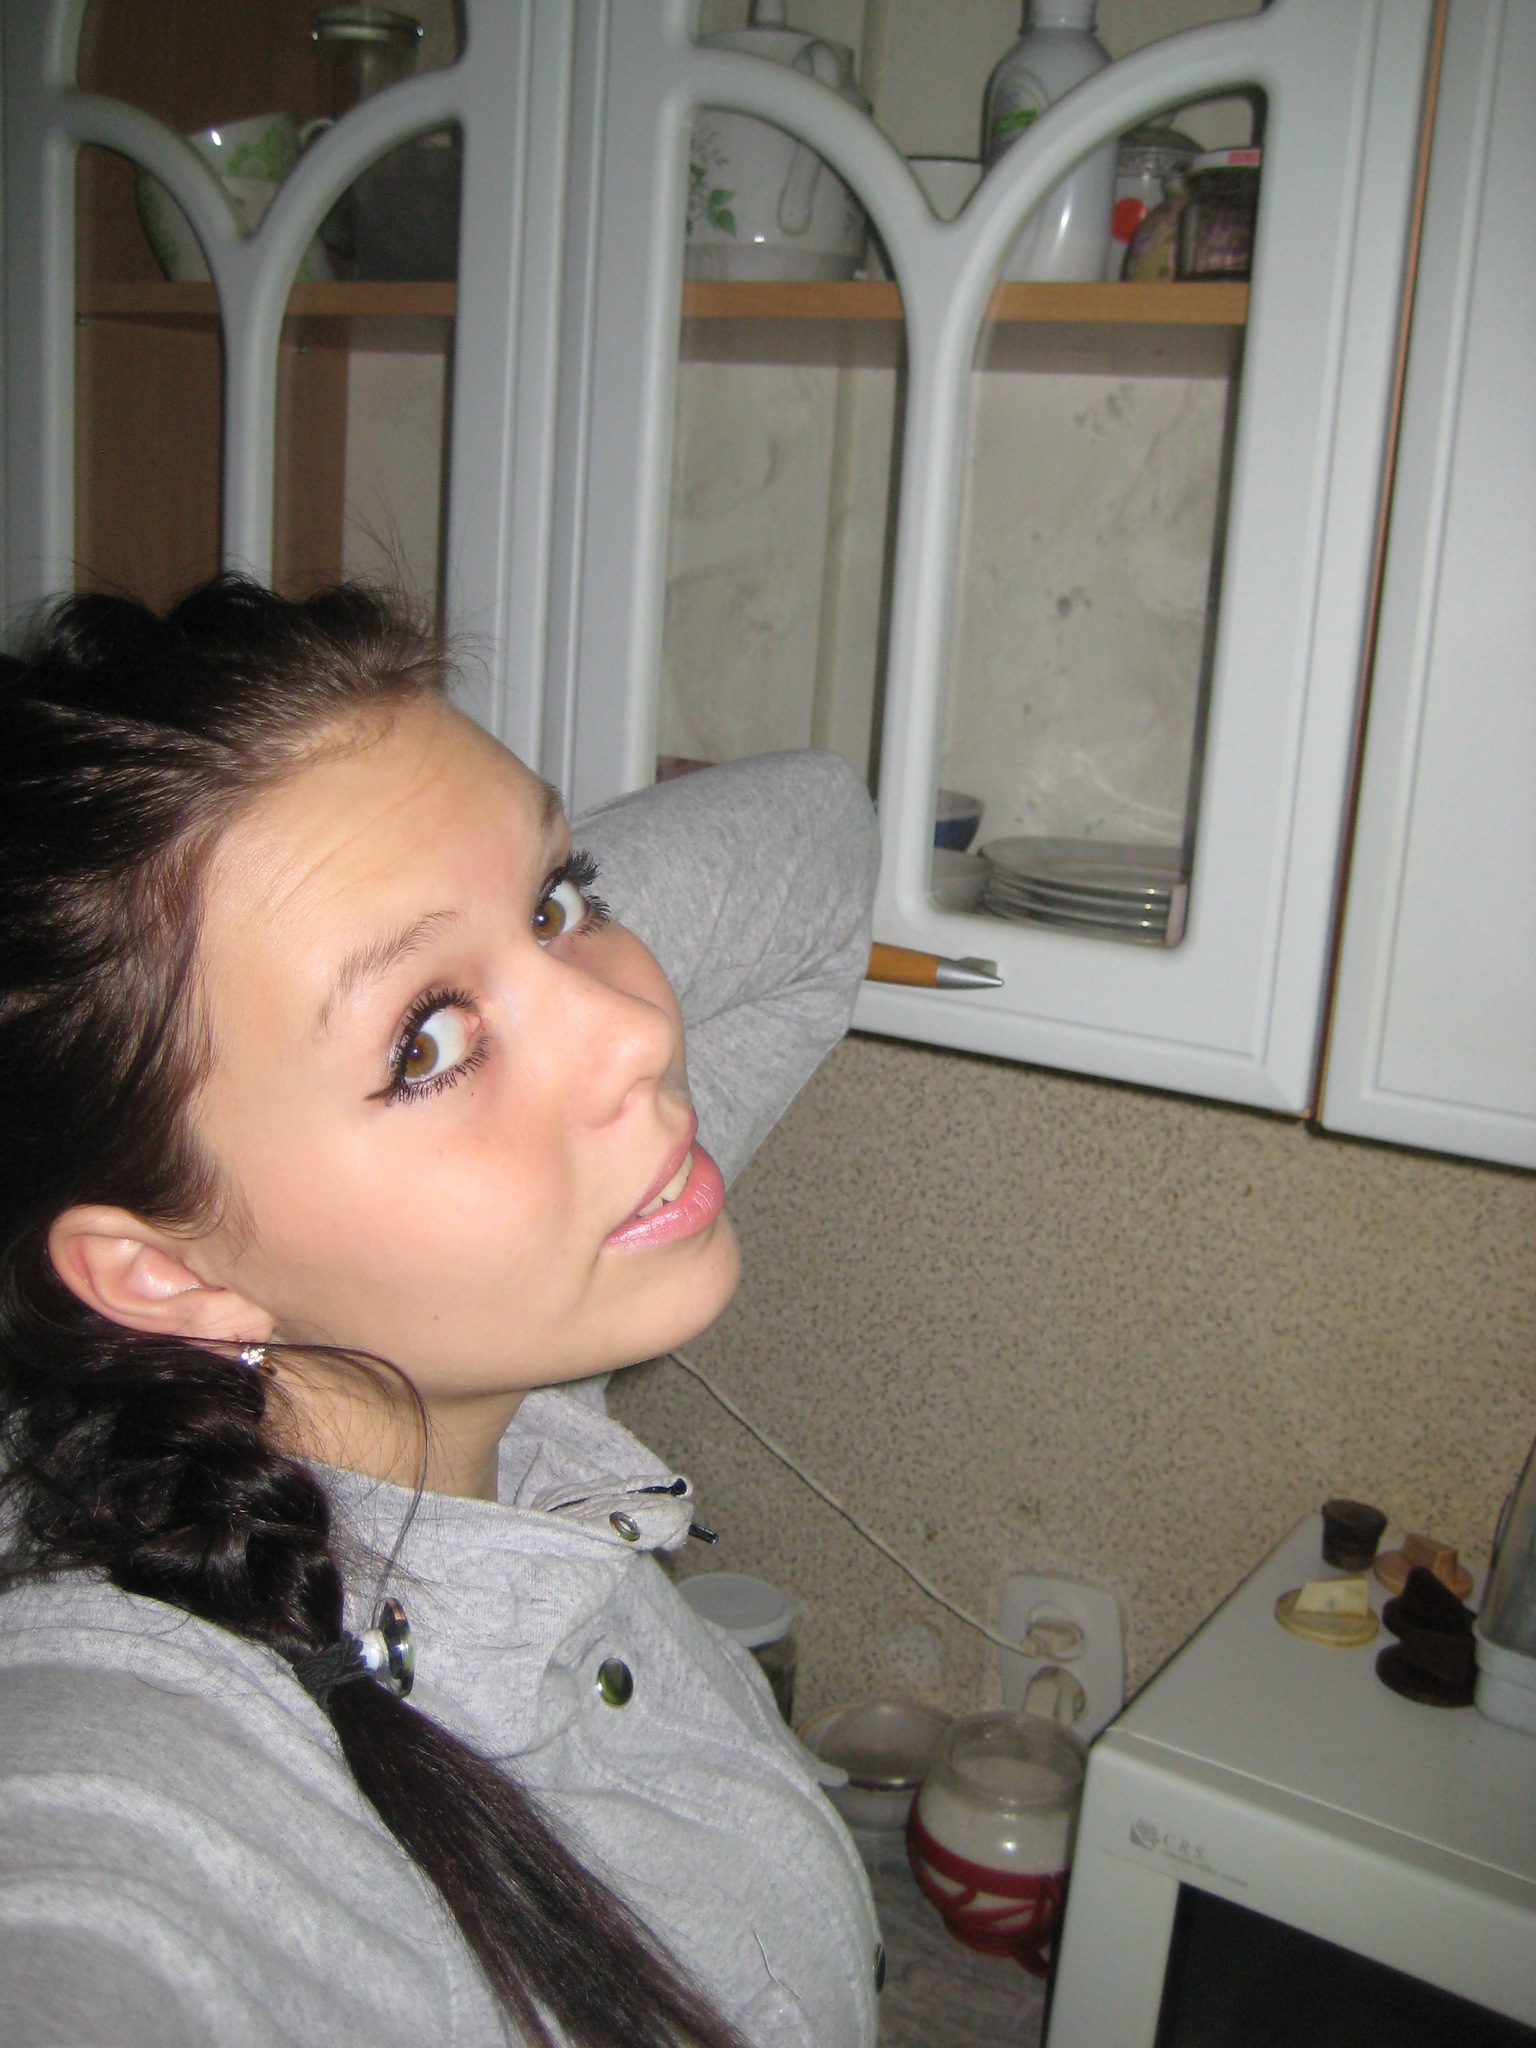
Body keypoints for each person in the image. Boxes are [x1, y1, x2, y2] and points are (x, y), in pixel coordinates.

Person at [0, 578, 883, 2048]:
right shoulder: (136, 1761)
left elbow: (821, 842)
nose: (640, 1026)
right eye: (426, 1044)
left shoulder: (483, 1338)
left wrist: (458, 931)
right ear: (166, 1275)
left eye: (564, 899)